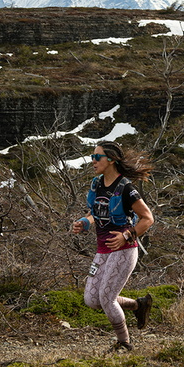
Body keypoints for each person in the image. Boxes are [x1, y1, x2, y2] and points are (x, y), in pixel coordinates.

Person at [71, 140, 155, 351]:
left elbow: (147, 218)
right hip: (103, 250)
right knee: (92, 299)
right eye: (92, 157)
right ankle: (138, 305)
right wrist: (84, 222)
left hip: (124, 250)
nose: (93, 161)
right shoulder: (97, 184)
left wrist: (126, 235)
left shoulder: (126, 188)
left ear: (111, 159)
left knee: (107, 299)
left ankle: (124, 343)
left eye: (97, 157)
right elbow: (95, 213)